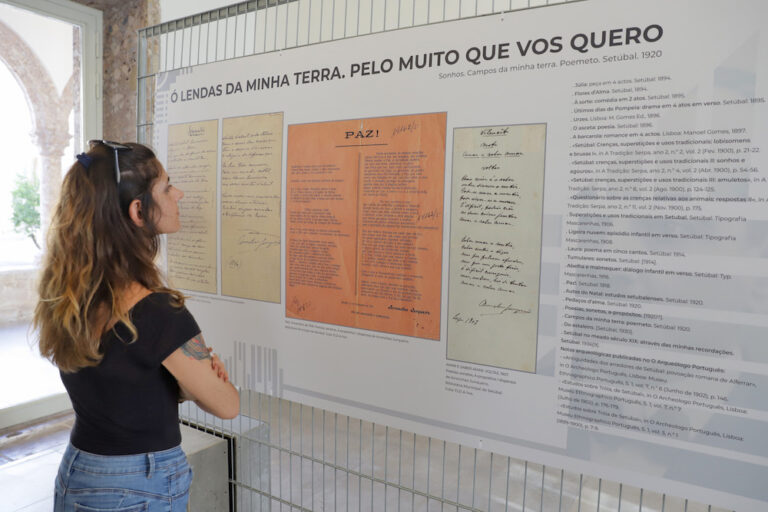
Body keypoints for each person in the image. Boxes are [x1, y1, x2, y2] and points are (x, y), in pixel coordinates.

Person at [34, 140, 240, 511]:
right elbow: (227, 406)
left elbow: (120, 386)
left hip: (80, 472)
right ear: (137, 210)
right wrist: (206, 380)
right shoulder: (158, 311)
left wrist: (184, 384)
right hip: (139, 486)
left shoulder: (67, 294)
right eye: (165, 187)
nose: (178, 193)